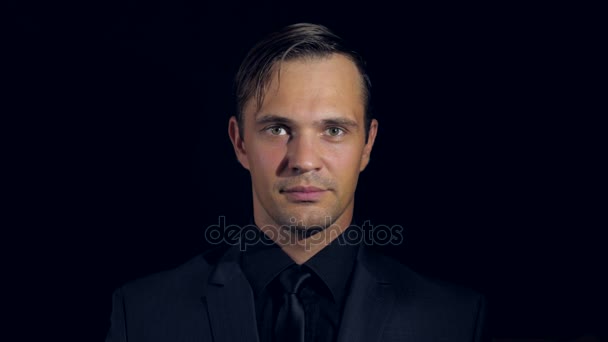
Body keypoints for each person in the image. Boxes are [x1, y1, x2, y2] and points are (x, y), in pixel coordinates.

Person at [105, 23, 488, 342]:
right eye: (277, 128)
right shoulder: (141, 316)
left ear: (367, 145)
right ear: (239, 142)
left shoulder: (453, 319)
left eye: (334, 130)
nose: (304, 160)